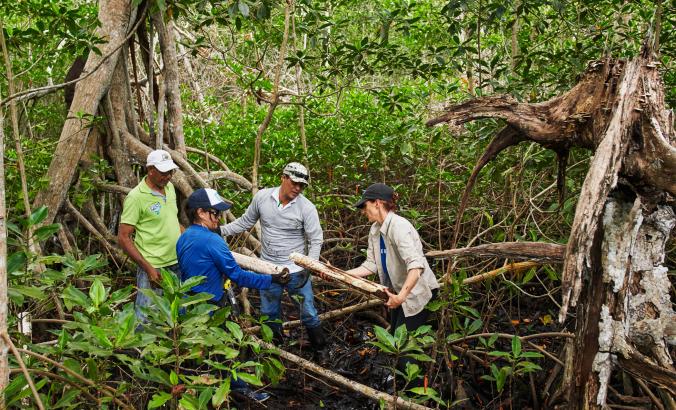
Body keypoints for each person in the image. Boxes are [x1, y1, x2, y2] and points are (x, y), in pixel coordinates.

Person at [176, 188, 291, 403]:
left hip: (188, 306)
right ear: (201, 212)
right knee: (227, 349)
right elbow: (237, 275)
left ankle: (201, 394)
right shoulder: (213, 241)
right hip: (211, 307)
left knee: (198, 352)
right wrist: (272, 280)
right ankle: (239, 391)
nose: (219, 218)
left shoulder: (183, 238)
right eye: (215, 213)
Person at [220, 162, 327, 350]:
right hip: (268, 268)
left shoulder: (306, 207)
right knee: (269, 312)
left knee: (308, 311)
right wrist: (219, 231)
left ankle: (320, 349)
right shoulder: (262, 197)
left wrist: (311, 266)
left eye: (302, 185)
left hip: (296, 270)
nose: (297, 188)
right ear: (283, 177)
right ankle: (274, 350)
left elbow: (316, 239)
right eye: (294, 183)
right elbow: (245, 222)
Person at [345, 183, 440, 387]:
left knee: (404, 349)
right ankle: (402, 387)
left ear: (378, 203)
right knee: (396, 342)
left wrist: (401, 297)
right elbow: (370, 264)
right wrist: (340, 273)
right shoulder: (375, 230)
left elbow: (416, 266)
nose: (363, 211)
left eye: (365, 205)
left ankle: (413, 396)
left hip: (416, 294)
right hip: (398, 295)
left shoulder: (399, 226)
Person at [118, 149, 182, 323]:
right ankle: (138, 350)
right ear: (150, 169)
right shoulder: (136, 197)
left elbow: (172, 222)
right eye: (163, 172)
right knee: (145, 316)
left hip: (176, 263)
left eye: (171, 171)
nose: (168, 176)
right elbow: (123, 237)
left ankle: (168, 349)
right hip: (153, 266)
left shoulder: (169, 188)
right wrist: (148, 268)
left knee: (173, 313)